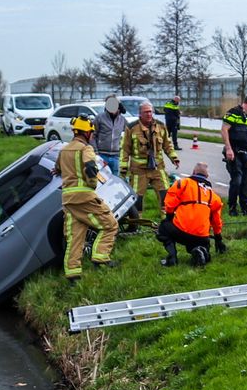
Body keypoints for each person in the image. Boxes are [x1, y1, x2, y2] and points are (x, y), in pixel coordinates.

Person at [57, 117, 118, 279]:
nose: (92, 135)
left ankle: (73, 274)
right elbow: (91, 168)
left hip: (68, 200)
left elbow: (57, 169)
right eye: (91, 132)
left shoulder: (64, 150)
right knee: (110, 225)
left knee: (75, 238)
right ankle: (101, 257)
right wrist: (92, 185)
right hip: (84, 197)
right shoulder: (86, 149)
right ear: (86, 132)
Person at [120, 100, 177, 231]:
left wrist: (174, 157)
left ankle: (167, 223)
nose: (149, 114)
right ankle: (136, 225)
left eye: (151, 111)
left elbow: (167, 144)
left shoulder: (161, 126)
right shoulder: (131, 127)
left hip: (158, 168)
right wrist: (123, 168)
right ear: (140, 114)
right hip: (139, 171)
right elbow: (125, 149)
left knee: (166, 195)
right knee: (137, 199)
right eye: (146, 112)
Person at [158, 162, 227, 266]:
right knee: (202, 245)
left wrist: (169, 218)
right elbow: (216, 221)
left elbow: (169, 204)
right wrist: (218, 239)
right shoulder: (214, 197)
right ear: (207, 176)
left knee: (163, 228)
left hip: (180, 231)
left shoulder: (182, 184)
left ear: (193, 172)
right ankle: (201, 250)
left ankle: (172, 258)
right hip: (201, 236)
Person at [222, 92, 247, 217]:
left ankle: (245, 207)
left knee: (245, 181)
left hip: (246, 152)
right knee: (237, 180)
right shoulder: (233, 112)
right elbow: (224, 130)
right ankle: (232, 207)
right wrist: (228, 149)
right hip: (234, 150)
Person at [90, 93, 126, 175]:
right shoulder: (99, 118)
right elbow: (92, 135)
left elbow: (129, 133)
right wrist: (95, 152)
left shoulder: (122, 120)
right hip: (102, 155)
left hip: (116, 156)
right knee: (102, 178)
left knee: (114, 180)